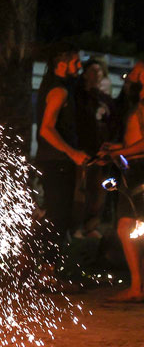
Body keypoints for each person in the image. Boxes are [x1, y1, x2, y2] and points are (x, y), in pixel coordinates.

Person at [35, 43, 89, 257]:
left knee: (53, 214)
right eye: (75, 62)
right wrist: (72, 152)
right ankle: (47, 272)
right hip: (57, 161)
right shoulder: (59, 91)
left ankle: (33, 268)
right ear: (62, 64)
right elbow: (46, 129)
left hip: (54, 160)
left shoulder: (52, 86)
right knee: (58, 216)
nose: (79, 66)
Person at [98, 64, 144, 302]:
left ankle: (137, 286)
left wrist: (124, 150)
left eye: (137, 71)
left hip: (141, 170)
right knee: (128, 226)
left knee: (127, 227)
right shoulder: (138, 102)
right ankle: (137, 285)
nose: (131, 75)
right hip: (134, 169)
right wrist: (118, 149)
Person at [72, 59, 114, 239]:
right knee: (81, 189)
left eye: (99, 71)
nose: (96, 75)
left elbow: (112, 119)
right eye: (92, 70)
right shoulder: (79, 95)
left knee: (98, 191)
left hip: (101, 150)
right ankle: (76, 226)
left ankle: (91, 226)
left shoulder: (104, 97)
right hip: (83, 148)